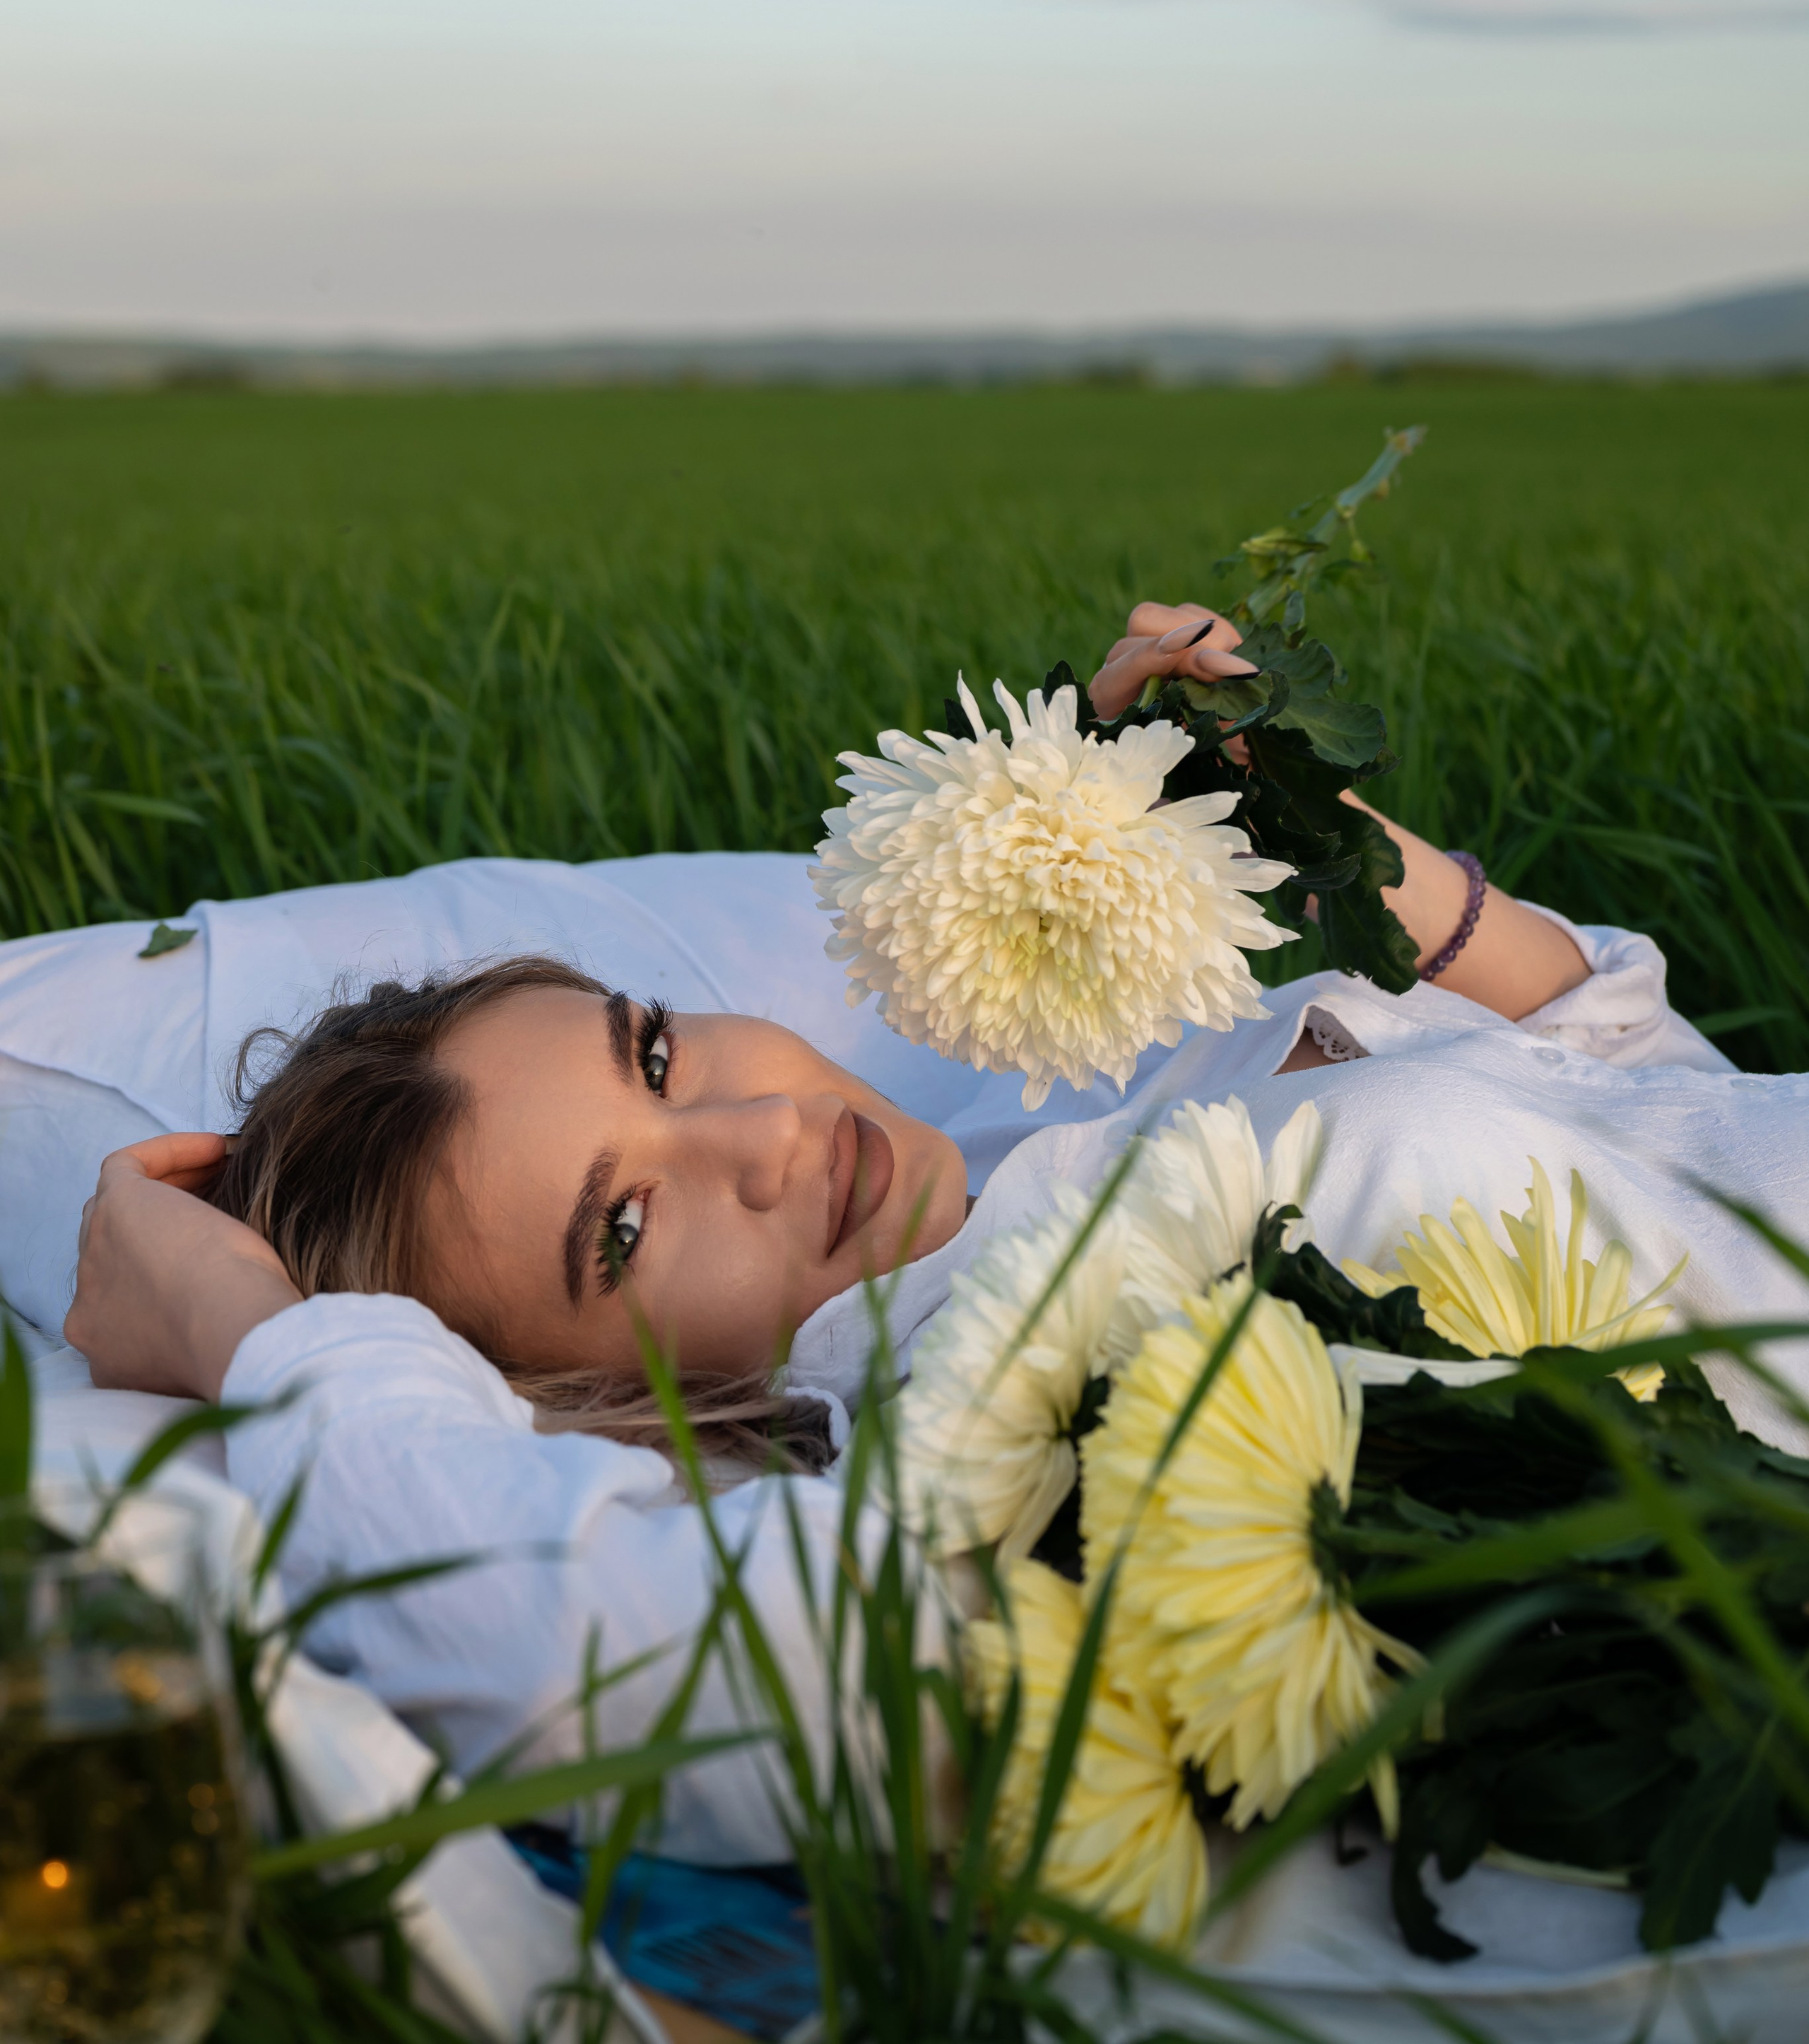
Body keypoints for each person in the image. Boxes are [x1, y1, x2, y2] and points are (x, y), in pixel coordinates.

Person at [64, 597, 1809, 1865]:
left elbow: (1652, 1090)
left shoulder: (1051, 1126)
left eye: (656, 1054)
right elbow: (591, 1652)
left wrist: (1308, 831)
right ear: (582, 1397)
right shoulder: (973, 1415)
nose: (754, 1137)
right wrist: (254, 1329)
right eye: (618, 1228)